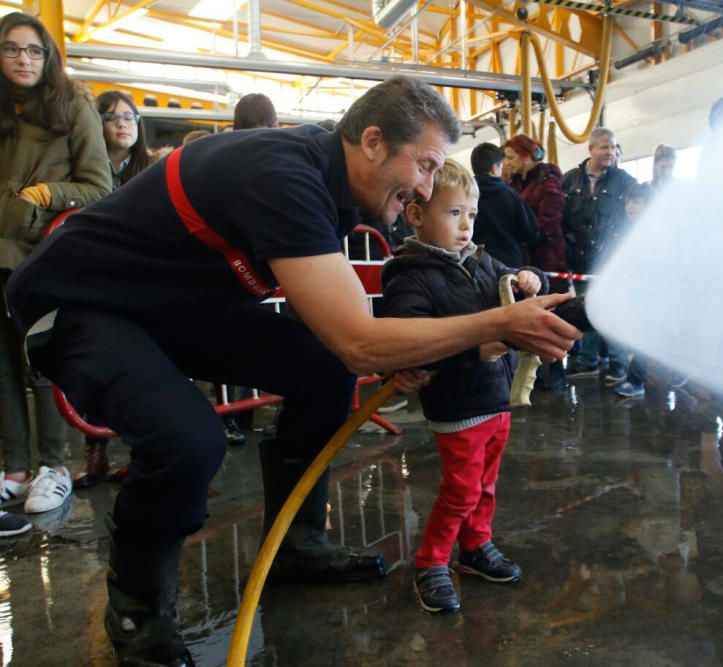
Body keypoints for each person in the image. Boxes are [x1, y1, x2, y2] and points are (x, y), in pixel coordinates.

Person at [5, 76, 578, 664]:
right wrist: (495, 324)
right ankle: (139, 618)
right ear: (374, 141)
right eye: (426, 166)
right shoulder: (283, 174)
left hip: (172, 307)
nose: (425, 189)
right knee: (188, 440)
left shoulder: (334, 186)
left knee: (322, 370)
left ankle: (297, 544)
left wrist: (405, 349)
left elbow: (351, 339)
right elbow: (360, 341)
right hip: (80, 299)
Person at [381, 159, 546, 613]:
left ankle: (475, 547)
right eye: (454, 214)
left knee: (486, 484)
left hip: (496, 399)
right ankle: (431, 562)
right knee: (461, 490)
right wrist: (474, 350)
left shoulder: (482, 260)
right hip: (458, 405)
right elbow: (410, 343)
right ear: (416, 215)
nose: (466, 225)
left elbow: (514, 285)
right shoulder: (410, 276)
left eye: (471, 215)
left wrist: (532, 278)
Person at [0, 13, 112, 525]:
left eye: (34, 50)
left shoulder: (74, 104)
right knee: (2, 368)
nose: (24, 59)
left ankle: (53, 464)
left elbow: (99, 187)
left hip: (42, 255)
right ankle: (16, 469)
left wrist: (48, 194)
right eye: (12, 49)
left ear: (48, 56)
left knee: (40, 363)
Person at [73, 91, 157, 489]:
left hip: (143, 283)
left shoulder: (152, 168)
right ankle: (96, 451)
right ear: (97, 125)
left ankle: (151, 456)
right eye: (112, 117)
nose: (123, 123)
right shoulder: (86, 173)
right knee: (98, 368)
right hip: (97, 282)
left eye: (130, 117)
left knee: (155, 369)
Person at [561, 127, 636, 384]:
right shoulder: (569, 180)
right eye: (605, 147)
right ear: (591, 149)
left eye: (614, 147)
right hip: (581, 261)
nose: (611, 152)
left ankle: (618, 366)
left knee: (613, 314)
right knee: (588, 311)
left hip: (611, 263)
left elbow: (636, 219)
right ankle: (588, 362)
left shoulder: (626, 182)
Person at [504, 133, 569, 391]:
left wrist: (524, 236)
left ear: (525, 155)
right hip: (528, 260)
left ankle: (555, 376)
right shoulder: (519, 183)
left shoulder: (548, 181)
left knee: (551, 316)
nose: (507, 162)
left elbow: (550, 220)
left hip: (547, 259)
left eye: (510, 157)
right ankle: (536, 376)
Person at [612, 183, 654, 398]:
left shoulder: (655, 231)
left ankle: (636, 381)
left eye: (636, 201)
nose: (630, 206)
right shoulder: (631, 230)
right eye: (628, 201)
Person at [469, 142, 538, 267]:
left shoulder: (466, 197)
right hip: (510, 264)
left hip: (478, 265)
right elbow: (530, 232)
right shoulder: (510, 195)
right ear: (495, 168)